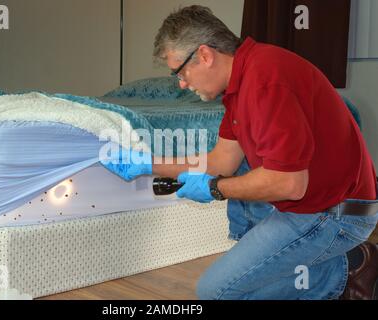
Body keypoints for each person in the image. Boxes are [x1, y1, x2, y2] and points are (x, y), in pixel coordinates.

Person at [100, 5, 378, 300]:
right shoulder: (241, 84)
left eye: (180, 72)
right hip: (313, 206)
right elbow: (221, 160)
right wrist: (148, 164)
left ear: (205, 55)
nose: (181, 84)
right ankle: (339, 268)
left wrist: (215, 188)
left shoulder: (265, 80)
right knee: (239, 286)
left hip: (338, 213)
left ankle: (349, 271)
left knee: (216, 292)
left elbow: (289, 184)